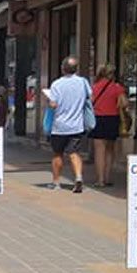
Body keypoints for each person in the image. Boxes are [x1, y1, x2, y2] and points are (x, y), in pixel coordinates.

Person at [47, 56, 91, 193]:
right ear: (76, 69)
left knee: (57, 154)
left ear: (62, 69)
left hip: (59, 126)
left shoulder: (56, 84)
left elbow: (53, 104)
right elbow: (89, 97)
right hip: (77, 125)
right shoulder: (83, 83)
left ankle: (56, 182)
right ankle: (78, 177)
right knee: (74, 152)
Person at [90, 64, 128, 188]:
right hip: (112, 119)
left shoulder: (94, 87)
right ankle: (107, 177)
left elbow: (89, 103)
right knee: (110, 150)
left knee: (99, 150)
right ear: (112, 75)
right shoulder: (117, 88)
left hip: (98, 119)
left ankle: (100, 180)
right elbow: (124, 103)